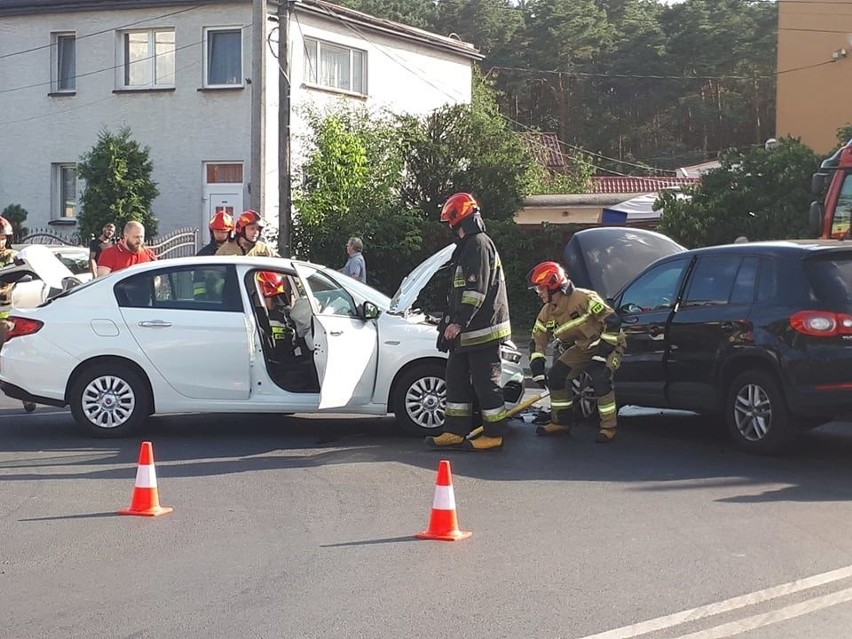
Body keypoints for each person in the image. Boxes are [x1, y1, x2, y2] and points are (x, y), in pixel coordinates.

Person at [425, 192, 512, 452]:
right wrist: (447, 323)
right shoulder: (467, 247)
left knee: (487, 383)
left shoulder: (478, 245)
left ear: (457, 220)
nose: (450, 229)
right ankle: (454, 431)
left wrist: (458, 323)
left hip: (483, 330)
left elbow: (476, 291)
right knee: (455, 379)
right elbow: (459, 292)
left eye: (450, 223)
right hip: (469, 332)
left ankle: (495, 434)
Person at [527, 261, 626, 443]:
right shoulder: (547, 311)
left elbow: (612, 322)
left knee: (601, 376)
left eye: (540, 289)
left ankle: (608, 427)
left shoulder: (583, 298)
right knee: (557, 376)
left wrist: (602, 354)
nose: (538, 293)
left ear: (553, 285)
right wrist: (537, 368)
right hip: (583, 347)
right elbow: (538, 340)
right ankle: (561, 422)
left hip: (609, 343)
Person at [0, 216, 36, 412]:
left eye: (4, 238)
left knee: (10, 359)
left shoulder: (12, 256)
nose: (1, 241)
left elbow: (24, 274)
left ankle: (25, 396)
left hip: (6, 316)